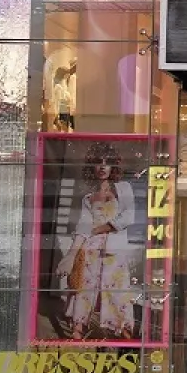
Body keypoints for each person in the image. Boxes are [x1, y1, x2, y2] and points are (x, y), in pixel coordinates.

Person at [55, 142, 137, 340]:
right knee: (83, 289)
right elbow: (82, 228)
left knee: (117, 292)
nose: (102, 167)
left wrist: (98, 229)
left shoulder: (123, 188)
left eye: (107, 163)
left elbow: (129, 216)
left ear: (113, 166)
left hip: (114, 251)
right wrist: (71, 255)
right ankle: (77, 333)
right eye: (98, 163)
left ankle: (126, 340)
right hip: (90, 250)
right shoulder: (88, 197)